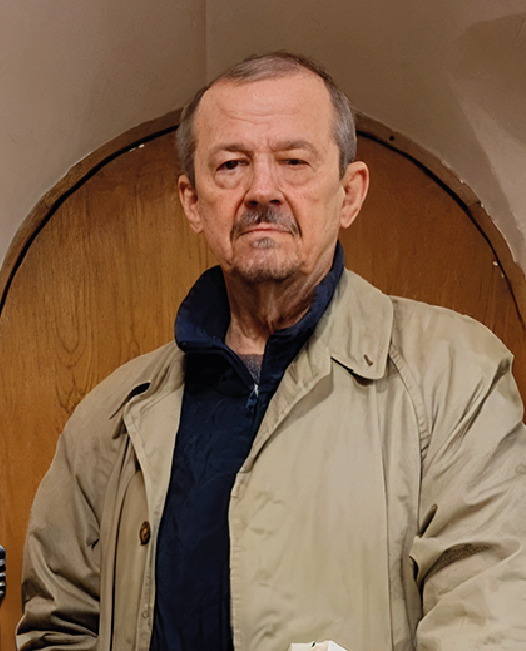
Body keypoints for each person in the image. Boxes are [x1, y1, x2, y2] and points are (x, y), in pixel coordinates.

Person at [17, 52, 526, 651]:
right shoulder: (109, 422)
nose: (262, 190)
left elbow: (489, 622)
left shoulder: (456, 378)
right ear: (192, 201)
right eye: (231, 165)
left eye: (294, 161)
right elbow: (58, 627)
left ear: (350, 193)